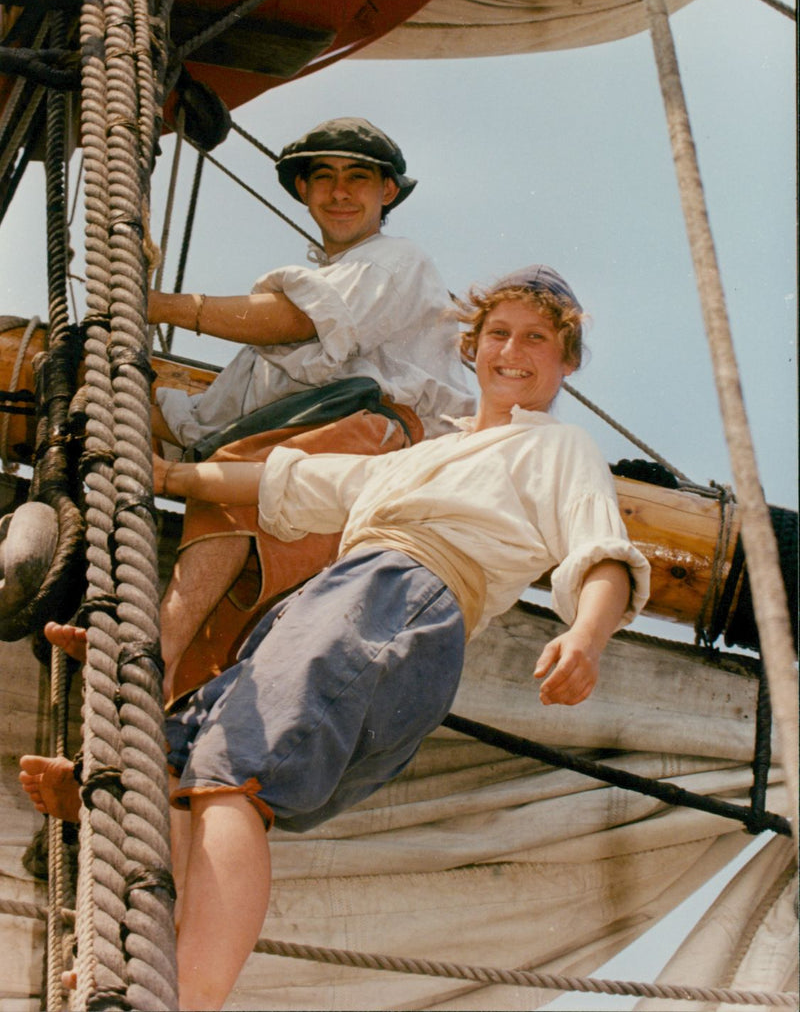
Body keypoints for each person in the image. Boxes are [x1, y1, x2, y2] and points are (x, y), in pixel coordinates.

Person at [21, 264, 650, 1009]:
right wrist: (158, 472)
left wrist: (586, 632)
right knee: (185, 767)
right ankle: (147, 966)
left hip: (402, 598)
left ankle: (189, 993)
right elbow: (284, 484)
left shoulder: (558, 447)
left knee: (234, 777)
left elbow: (603, 552)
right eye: (498, 333)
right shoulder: (420, 459)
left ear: (566, 359)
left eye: (537, 338)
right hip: (337, 600)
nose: (513, 349)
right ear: (471, 348)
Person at [148, 117, 474, 702]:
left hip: (386, 448)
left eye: (358, 178)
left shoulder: (398, 261)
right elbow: (200, 423)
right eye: (322, 177)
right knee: (225, 634)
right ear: (303, 191)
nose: (339, 193)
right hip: (321, 461)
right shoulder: (272, 347)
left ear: (388, 193)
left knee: (234, 473)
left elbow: (302, 320)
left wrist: (157, 305)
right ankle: (166, 682)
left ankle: (152, 650)